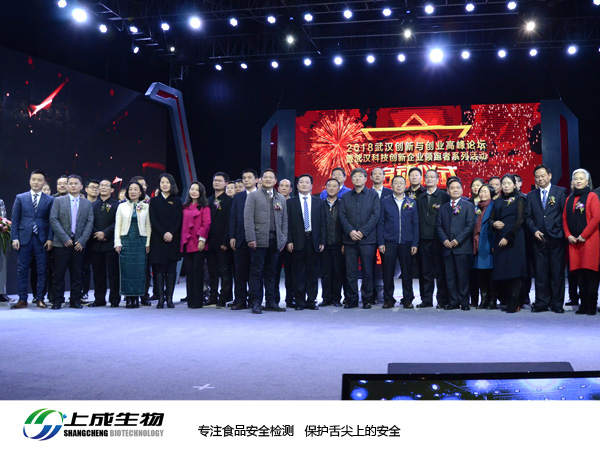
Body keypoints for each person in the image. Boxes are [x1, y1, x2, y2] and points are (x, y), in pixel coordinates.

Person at [244, 168, 288, 314]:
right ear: (261, 180)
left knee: (271, 272)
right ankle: (255, 302)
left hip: (275, 241)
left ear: (275, 181)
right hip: (258, 240)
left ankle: (271, 302)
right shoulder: (253, 196)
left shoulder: (280, 198)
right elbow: (248, 218)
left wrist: (283, 239)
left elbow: (285, 221)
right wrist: (251, 238)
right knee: (256, 272)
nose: (268, 179)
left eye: (271, 177)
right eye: (265, 177)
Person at [525, 164, 567, 313]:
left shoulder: (560, 192)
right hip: (538, 239)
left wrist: (561, 231)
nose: (540, 179)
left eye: (543, 176)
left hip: (557, 238)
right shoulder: (531, 195)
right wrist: (534, 230)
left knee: (557, 272)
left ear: (550, 176)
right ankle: (542, 302)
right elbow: (528, 217)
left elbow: (564, 214)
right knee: (540, 273)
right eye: (537, 177)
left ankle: (557, 304)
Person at [10, 171, 55, 309]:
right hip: (24, 238)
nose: (36, 182)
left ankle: (40, 298)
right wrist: (14, 238)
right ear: (30, 181)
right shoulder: (20, 197)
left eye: (39, 180)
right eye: (34, 179)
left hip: (42, 239)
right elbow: (15, 219)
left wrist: (50, 238)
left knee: (42, 270)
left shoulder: (50, 200)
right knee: (22, 270)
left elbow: (51, 221)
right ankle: (22, 299)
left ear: (44, 182)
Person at [49, 174, 94, 309]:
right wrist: (65, 238)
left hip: (78, 244)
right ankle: (57, 300)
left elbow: (90, 222)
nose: (73, 186)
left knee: (77, 274)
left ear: (81, 186)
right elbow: (53, 219)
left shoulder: (87, 203)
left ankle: (75, 300)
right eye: (70, 183)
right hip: (61, 243)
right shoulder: (58, 201)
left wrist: (82, 241)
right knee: (58, 274)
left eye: (76, 183)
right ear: (67, 186)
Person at [339, 167, 380, 309]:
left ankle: (367, 299)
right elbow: (342, 215)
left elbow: (375, 215)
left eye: (360, 176)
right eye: (355, 176)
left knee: (368, 271)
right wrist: (350, 231)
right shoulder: (346, 197)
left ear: (365, 179)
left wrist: (362, 232)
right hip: (349, 240)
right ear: (351, 179)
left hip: (367, 240)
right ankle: (351, 299)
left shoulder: (373, 195)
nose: (357, 179)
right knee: (350, 271)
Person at [377, 175, 418, 309]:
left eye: (401, 183)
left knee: (407, 273)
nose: (399, 185)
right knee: (388, 272)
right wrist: (381, 242)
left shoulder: (411, 202)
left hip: (407, 242)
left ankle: (408, 299)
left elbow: (415, 224)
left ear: (405, 186)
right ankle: (388, 299)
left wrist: (415, 243)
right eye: (396, 183)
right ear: (392, 186)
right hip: (389, 242)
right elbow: (381, 223)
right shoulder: (385, 202)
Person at [563, 168, 600, 315]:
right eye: (575, 178)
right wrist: (568, 235)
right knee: (579, 275)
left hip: (589, 241)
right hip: (574, 243)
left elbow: (596, 218)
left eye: (581, 179)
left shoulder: (592, 196)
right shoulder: (569, 198)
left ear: (587, 181)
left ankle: (591, 305)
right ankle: (583, 305)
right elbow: (565, 219)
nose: (578, 181)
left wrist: (584, 235)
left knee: (590, 273)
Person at [436, 177, 475, 310]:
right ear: (447, 191)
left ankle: (464, 302)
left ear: (462, 190)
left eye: (458, 188)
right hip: (447, 248)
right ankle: (453, 302)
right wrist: (445, 240)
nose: (455, 190)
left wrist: (458, 240)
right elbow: (438, 226)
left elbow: (470, 225)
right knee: (450, 277)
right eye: (452, 188)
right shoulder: (443, 208)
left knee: (463, 276)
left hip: (462, 247)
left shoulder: (468, 206)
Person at [286, 174, 325, 310]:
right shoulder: (290, 203)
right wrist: (289, 240)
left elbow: (323, 223)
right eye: (301, 182)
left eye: (307, 182)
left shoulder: (319, 202)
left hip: (313, 240)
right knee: (298, 273)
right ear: (297, 186)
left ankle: (311, 300)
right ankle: (300, 301)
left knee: (313, 273)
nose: (304, 184)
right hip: (297, 241)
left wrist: (322, 240)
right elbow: (287, 224)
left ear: (311, 185)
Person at [490, 174, 527, 313]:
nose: (506, 186)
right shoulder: (498, 201)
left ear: (514, 185)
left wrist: (508, 237)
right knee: (503, 270)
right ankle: (505, 299)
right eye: (503, 183)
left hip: (514, 238)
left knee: (515, 270)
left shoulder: (519, 198)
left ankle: (515, 301)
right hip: (500, 237)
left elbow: (520, 219)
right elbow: (491, 218)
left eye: (508, 183)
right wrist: (494, 224)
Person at [415, 169, 450, 308]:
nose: (429, 179)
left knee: (441, 272)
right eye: (427, 177)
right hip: (423, 239)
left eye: (432, 177)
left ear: (437, 179)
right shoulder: (420, 198)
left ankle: (442, 300)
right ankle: (426, 300)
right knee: (426, 272)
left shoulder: (444, 196)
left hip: (439, 239)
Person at [114, 181, 151, 308]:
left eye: (136, 189)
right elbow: (117, 226)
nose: (133, 192)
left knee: (139, 271)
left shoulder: (146, 206)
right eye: (130, 189)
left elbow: (148, 226)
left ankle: (137, 297)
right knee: (126, 270)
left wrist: (148, 243)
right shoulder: (122, 206)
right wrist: (117, 242)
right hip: (126, 240)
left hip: (140, 241)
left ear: (141, 192)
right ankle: (128, 298)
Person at [149, 173, 182, 309]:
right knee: (159, 269)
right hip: (158, 239)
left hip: (173, 239)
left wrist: (171, 233)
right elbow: (153, 219)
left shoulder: (177, 200)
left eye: (167, 182)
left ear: (172, 184)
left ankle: (169, 298)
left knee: (171, 268)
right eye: (162, 182)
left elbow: (179, 220)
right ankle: (160, 298)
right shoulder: (154, 201)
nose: (165, 185)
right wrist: (163, 233)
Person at [88, 178, 120, 307]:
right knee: (98, 274)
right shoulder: (92, 205)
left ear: (112, 189)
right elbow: (89, 222)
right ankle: (99, 299)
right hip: (95, 244)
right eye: (101, 185)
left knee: (113, 274)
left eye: (106, 185)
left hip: (111, 243)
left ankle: (114, 299)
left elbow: (117, 223)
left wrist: (105, 233)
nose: (103, 187)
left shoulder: (117, 205)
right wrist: (97, 233)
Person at [229, 169, 258, 310]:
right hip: (240, 239)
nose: (246, 180)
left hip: (257, 240)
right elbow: (233, 218)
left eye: (249, 177)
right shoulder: (238, 197)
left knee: (255, 272)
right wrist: (232, 236)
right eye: (244, 178)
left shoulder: (262, 195)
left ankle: (254, 300)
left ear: (256, 180)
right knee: (239, 272)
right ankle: (240, 300)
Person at [181, 182, 211, 309]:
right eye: (192, 189)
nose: (193, 191)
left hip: (199, 242)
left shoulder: (205, 207)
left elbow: (206, 224)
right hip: (186, 242)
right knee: (189, 271)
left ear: (201, 192)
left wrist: (202, 240)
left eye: (197, 190)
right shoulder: (185, 206)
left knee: (197, 271)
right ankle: (190, 299)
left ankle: (198, 300)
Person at [206, 172, 233, 308]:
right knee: (211, 271)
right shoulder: (208, 200)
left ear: (226, 183)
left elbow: (230, 223)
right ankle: (212, 296)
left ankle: (223, 297)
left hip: (222, 241)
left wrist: (225, 241)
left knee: (224, 271)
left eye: (220, 180)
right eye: (215, 180)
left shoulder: (229, 201)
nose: (216, 182)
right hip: (209, 241)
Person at [320, 178, 345, 307]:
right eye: (329, 186)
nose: (331, 188)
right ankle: (326, 298)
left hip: (339, 244)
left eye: (335, 186)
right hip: (324, 244)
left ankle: (336, 298)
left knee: (337, 272)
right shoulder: (319, 205)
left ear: (339, 188)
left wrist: (344, 243)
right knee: (325, 273)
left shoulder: (343, 204)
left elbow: (346, 225)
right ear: (325, 187)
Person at [472, 184, 495, 309]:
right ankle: (484, 299)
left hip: (488, 242)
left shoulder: (494, 206)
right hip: (477, 244)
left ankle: (492, 299)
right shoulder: (477, 207)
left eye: (485, 192)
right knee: (481, 273)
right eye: (481, 191)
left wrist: (494, 244)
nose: (482, 194)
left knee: (490, 273)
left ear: (491, 194)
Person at [275, 178, 295, 308]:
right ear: (277, 188)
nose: (283, 188)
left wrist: (290, 240)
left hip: (290, 243)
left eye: (286, 186)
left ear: (291, 189)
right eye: (281, 185)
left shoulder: (294, 203)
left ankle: (290, 298)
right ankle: (274, 299)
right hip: (275, 243)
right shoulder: (273, 201)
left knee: (291, 273)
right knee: (274, 272)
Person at [81, 179, 100, 301]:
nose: (95, 189)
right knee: (84, 267)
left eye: (97, 187)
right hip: (84, 240)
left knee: (97, 269)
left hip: (98, 240)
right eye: (92, 187)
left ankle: (98, 295)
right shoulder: (81, 204)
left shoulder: (101, 204)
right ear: (86, 189)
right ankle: (83, 291)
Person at [0, 199, 12, 302]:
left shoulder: (0, 202)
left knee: (2, 265)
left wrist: (4, 224)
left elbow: (3, 218)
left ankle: (1, 292)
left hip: (0, 238)